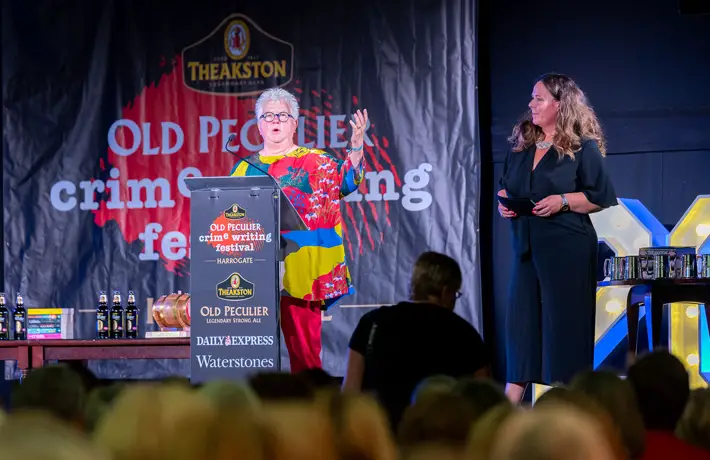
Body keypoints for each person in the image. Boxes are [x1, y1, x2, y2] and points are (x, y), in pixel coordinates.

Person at [498, 73, 617, 402]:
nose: (530, 104)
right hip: (526, 249)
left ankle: (564, 407)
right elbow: (507, 185)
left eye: (538, 99)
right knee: (522, 329)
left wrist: (563, 201)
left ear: (560, 104)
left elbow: (600, 195)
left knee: (562, 332)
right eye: (532, 98)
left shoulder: (582, 147)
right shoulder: (522, 145)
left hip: (567, 250)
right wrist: (504, 201)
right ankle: (506, 411)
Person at [230, 87, 367, 373]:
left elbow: (347, 181)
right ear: (258, 124)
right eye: (267, 115)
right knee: (249, 362)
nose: (275, 120)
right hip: (252, 278)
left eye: (282, 114)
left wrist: (356, 148)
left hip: (302, 275)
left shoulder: (316, 161)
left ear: (294, 123)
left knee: (305, 360)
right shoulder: (244, 168)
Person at [342, 251, 489, 429]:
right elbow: (484, 403)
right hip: (443, 444)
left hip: (383, 442)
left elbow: (350, 394)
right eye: (455, 294)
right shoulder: (466, 334)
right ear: (445, 291)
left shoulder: (372, 323)